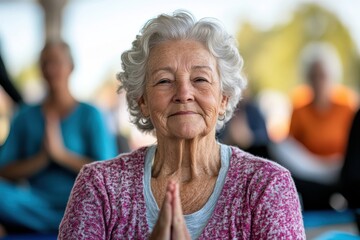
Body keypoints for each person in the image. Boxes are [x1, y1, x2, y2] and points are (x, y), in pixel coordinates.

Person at [59, 10, 305, 239]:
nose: (184, 93)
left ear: (223, 98)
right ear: (142, 100)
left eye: (200, 79)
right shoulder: (100, 187)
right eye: (164, 81)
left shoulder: (267, 186)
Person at [0, 40, 117, 234]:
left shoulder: (91, 114)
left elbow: (108, 173)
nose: (50, 69)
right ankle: (67, 226)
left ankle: (69, 223)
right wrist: (41, 159)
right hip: (34, 203)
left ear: (71, 66)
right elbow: (3, 170)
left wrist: (61, 155)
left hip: (82, 203)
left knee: (101, 206)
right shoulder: (24, 116)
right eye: (45, 63)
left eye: (56, 62)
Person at [269, 42, 356, 210]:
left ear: (332, 76)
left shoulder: (347, 107)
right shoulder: (299, 108)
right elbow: (290, 147)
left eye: (322, 76)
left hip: (341, 170)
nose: (318, 81)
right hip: (310, 173)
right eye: (313, 76)